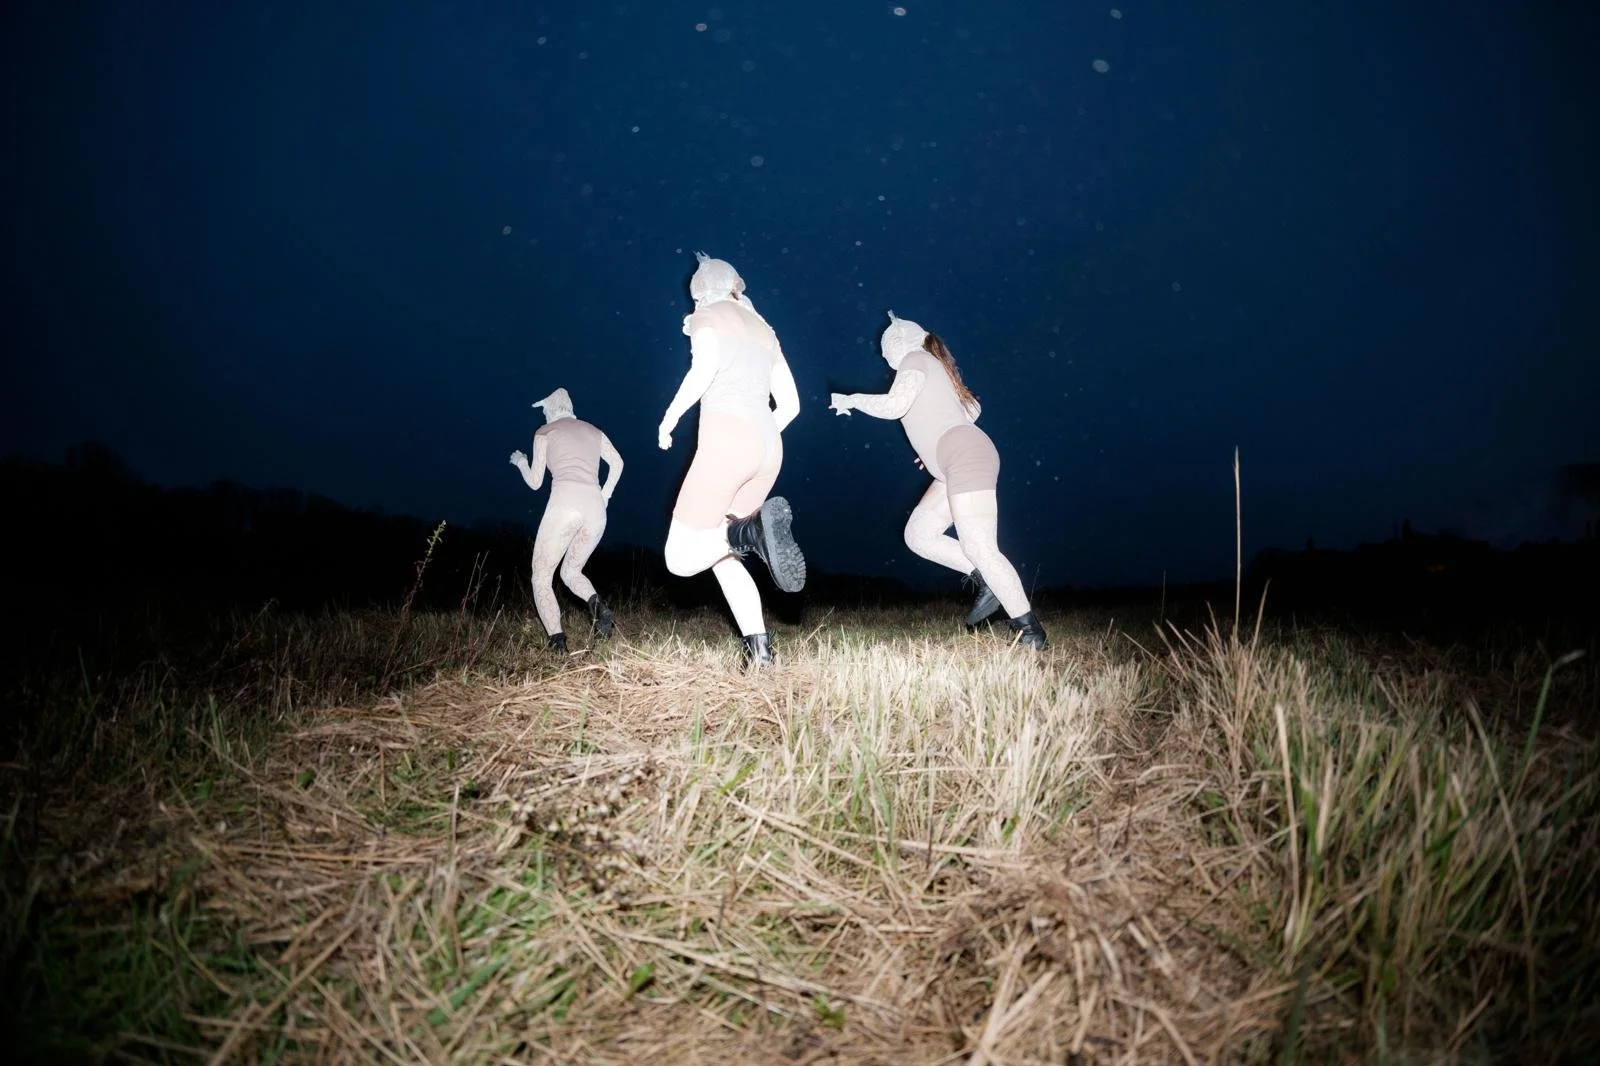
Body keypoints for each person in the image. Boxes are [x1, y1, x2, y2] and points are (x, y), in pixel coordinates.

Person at [830, 313, 1047, 649]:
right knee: (918, 535)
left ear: (901, 342)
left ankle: (1030, 632)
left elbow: (895, 405)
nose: (884, 354)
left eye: (886, 346)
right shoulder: (936, 366)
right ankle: (986, 579)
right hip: (952, 459)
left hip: (964, 457)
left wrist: (851, 399)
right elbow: (972, 409)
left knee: (980, 547)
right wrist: (935, 444)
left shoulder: (915, 359)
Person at [658, 253, 805, 666]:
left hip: (728, 440)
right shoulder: (764, 329)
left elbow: (703, 371)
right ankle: (760, 654)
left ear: (700, 293)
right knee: (722, 556)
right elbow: (792, 406)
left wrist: (669, 419)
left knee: (680, 559)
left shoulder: (708, 317)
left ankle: (752, 533)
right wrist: (758, 436)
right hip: (769, 447)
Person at [509, 387, 623, 653]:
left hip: (565, 505)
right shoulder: (594, 431)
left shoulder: (544, 432)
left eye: (545, 411)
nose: (544, 415)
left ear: (550, 410)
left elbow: (535, 482)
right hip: (596, 511)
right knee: (571, 572)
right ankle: (599, 609)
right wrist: (605, 495)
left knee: (541, 577)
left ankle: (557, 644)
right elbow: (618, 463)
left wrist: (521, 462)